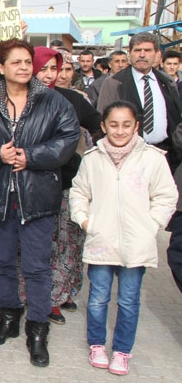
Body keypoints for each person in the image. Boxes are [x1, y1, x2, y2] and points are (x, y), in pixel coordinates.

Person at [0, 39, 80, 367]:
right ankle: (9, 317)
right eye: (16, 62)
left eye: (28, 61)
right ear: (1, 68)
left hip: (37, 195)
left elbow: (68, 140)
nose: (24, 67)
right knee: (0, 263)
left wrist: (32, 156)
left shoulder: (52, 101)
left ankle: (37, 329)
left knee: (37, 267)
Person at [70, 100, 177, 376]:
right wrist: (85, 220)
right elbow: (79, 192)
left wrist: (151, 225)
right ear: (104, 126)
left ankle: (122, 350)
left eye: (126, 125)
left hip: (136, 244)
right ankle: (97, 344)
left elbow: (166, 195)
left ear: (136, 126)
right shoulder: (93, 159)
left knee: (129, 300)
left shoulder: (152, 158)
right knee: (98, 298)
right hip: (101, 239)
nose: (120, 131)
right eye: (113, 125)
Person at [32, 46, 102, 325]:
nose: (50, 74)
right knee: (39, 244)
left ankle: (58, 296)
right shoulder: (18, 100)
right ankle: (37, 293)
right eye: (43, 68)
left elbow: (100, 125)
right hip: (33, 184)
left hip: (67, 184)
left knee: (67, 241)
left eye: (54, 68)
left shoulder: (72, 99)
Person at [97, 32, 182, 171]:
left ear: (157, 54)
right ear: (130, 53)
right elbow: (103, 120)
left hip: (164, 154)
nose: (142, 55)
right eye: (137, 50)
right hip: (127, 157)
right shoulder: (114, 83)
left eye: (147, 50)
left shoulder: (168, 82)